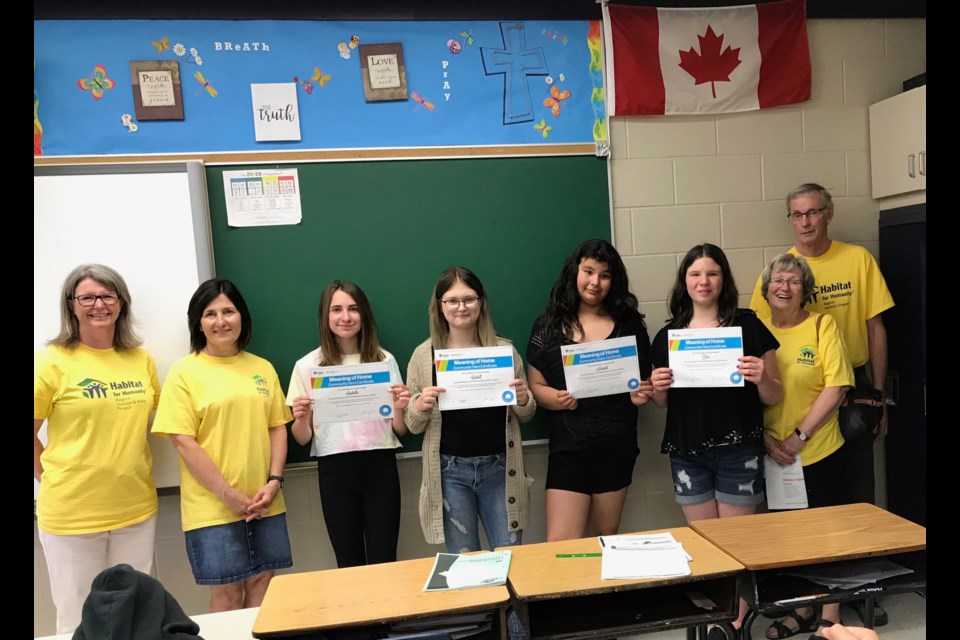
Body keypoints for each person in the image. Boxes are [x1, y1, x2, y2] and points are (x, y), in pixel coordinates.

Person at [748, 183, 895, 627]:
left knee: (849, 511)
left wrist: (879, 397)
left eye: (813, 212)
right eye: (798, 214)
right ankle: (806, 605)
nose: (806, 221)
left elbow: (874, 330)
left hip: (841, 409)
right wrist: (771, 435)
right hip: (780, 432)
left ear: (828, 214)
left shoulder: (852, 269)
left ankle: (856, 598)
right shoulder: (765, 309)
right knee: (793, 528)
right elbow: (756, 358)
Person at [649, 243, 783, 639]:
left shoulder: (749, 327)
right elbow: (660, 401)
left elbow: (775, 395)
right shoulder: (668, 334)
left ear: (723, 279)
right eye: (695, 274)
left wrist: (762, 377)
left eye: (711, 273)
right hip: (688, 452)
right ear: (684, 282)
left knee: (738, 545)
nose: (703, 281)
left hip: (739, 449)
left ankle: (736, 622)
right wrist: (657, 386)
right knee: (707, 546)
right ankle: (713, 621)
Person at [152, 279, 293, 612]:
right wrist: (227, 493)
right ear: (198, 323)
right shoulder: (184, 373)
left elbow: (277, 427)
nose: (221, 321)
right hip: (212, 507)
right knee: (228, 592)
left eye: (228, 311)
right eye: (210, 314)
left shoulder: (262, 368)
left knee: (264, 583)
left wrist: (274, 482)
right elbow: (183, 441)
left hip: (264, 501)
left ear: (241, 316)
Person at [34, 264, 161, 633]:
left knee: (134, 613)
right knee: (78, 619)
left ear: (121, 303)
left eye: (107, 295)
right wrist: (48, 477)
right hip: (72, 516)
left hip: (135, 510)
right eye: (87, 297)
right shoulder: (51, 361)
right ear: (71, 305)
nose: (98, 305)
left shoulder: (141, 359)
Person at [526, 238, 654, 541]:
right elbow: (536, 385)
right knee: (561, 543)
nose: (595, 282)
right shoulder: (547, 326)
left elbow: (643, 383)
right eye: (588, 271)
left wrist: (641, 396)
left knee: (604, 539)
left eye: (605, 275)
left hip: (616, 445)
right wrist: (556, 400)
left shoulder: (630, 325)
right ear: (575, 272)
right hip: (569, 446)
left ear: (614, 281)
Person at [405, 266, 536, 552]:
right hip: (450, 473)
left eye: (469, 299)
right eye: (452, 300)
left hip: (501, 469)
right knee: (466, 563)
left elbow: (526, 416)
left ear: (482, 303)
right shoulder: (423, 356)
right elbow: (412, 425)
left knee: (511, 556)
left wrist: (524, 399)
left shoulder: (504, 351)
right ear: (439, 307)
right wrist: (419, 406)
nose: (461, 307)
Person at [758, 254, 855, 640]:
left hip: (818, 448)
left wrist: (799, 437)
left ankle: (830, 617)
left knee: (828, 535)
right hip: (772, 455)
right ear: (765, 289)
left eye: (794, 281)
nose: (784, 287)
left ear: (805, 291)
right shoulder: (754, 328)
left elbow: (837, 385)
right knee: (793, 540)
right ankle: (802, 609)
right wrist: (767, 440)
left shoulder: (822, 325)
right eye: (777, 280)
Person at [286, 281, 410, 568]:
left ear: (364, 315)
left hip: (380, 465)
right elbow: (302, 439)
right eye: (337, 309)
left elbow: (399, 429)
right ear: (325, 317)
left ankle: (388, 615)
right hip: (335, 469)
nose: (346, 317)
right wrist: (301, 418)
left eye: (353, 309)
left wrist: (400, 409)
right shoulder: (308, 366)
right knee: (349, 562)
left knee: (385, 560)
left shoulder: (383, 359)